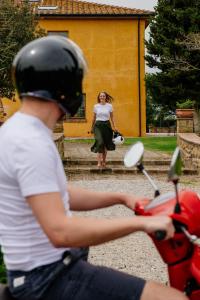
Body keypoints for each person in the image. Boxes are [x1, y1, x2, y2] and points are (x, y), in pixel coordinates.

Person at [0, 35, 188, 300]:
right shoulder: (29, 142)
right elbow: (60, 231)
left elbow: (58, 192)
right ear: (64, 86)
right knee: (172, 298)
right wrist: (141, 225)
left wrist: (122, 197)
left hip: (40, 272)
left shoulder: (20, 130)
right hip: (48, 278)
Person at [91, 92, 116, 168]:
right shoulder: (96, 106)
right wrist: (92, 127)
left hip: (107, 125)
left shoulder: (109, 106)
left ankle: (104, 161)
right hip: (98, 125)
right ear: (99, 97)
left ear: (105, 97)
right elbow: (94, 118)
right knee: (100, 142)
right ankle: (99, 162)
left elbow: (112, 118)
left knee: (105, 144)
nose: (102, 97)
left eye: (103, 96)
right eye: (101, 96)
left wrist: (114, 126)